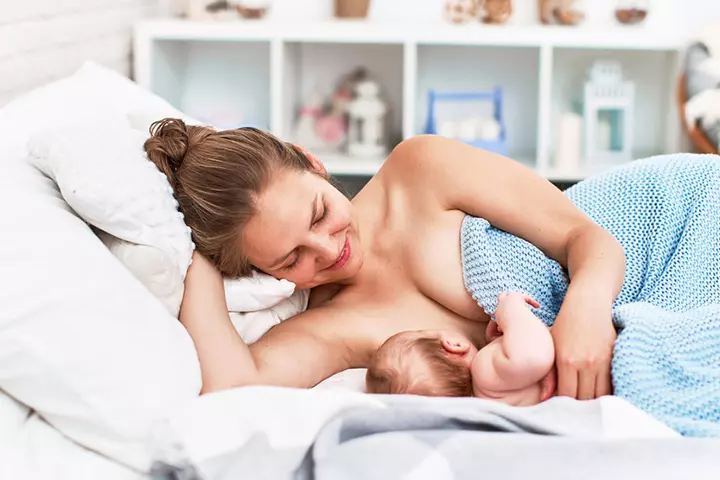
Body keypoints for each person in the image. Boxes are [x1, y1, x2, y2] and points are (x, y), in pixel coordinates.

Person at [143, 117, 633, 399]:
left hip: (662, 224)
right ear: (262, 271)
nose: (330, 251)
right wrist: (194, 252)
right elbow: (234, 387)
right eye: (292, 259)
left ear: (312, 161)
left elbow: (586, 236)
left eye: (320, 214)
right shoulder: (326, 328)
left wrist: (586, 312)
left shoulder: (419, 169)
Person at [365, 292, 558, 406]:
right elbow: (533, 357)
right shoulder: (484, 370)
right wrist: (510, 311)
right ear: (454, 345)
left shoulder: (486, 400)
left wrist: (498, 343)